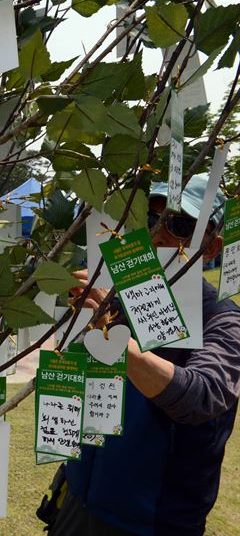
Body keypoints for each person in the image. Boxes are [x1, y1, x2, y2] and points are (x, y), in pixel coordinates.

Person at [48, 175, 240, 536]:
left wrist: (115, 340)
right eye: (150, 219)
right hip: (77, 499)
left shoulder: (223, 319)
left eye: (180, 224)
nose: (158, 234)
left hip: (150, 523)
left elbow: (203, 395)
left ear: (212, 248)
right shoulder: (116, 297)